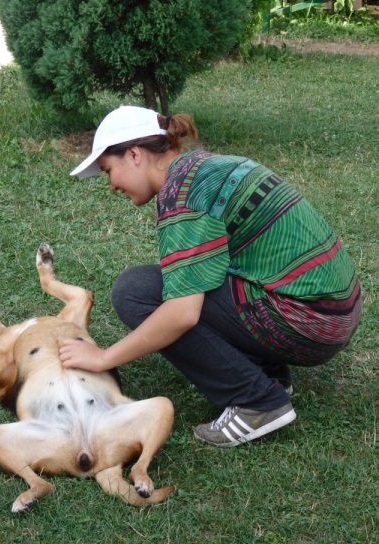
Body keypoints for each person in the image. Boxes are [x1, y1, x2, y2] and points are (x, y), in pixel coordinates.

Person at [59, 105, 361, 448]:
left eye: (108, 170)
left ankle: (258, 401)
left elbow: (182, 314)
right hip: (334, 312)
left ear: (133, 154)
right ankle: (269, 375)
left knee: (136, 292)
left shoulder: (181, 194)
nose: (111, 185)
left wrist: (103, 358)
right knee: (189, 279)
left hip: (309, 321)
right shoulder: (205, 166)